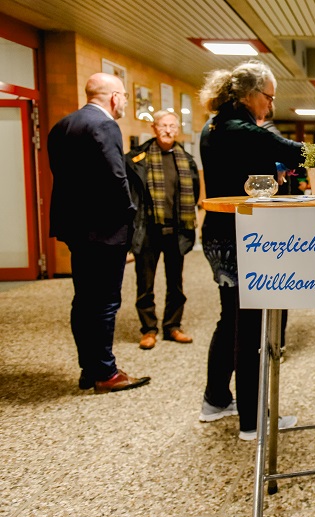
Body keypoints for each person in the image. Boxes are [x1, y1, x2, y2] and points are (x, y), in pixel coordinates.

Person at [198, 60, 303, 440]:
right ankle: (253, 419)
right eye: (269, 98)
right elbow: (296, 152)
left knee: (231, 318)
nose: (270, 107)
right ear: (250, 94)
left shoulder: (213, 126)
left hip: (217, 235)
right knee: (252, 325)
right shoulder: (240, 129)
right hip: (243, 237)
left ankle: (215, 399)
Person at [48, 72, 150, 394]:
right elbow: (115, 178)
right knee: (105, 302)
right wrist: (130, 216)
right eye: (124, 96)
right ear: (114, 97)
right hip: (106, 231)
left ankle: (88, 368)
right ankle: (106, 373)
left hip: (77, 230)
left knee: (84, 300)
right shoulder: (105, 125)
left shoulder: (61, 126)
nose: (124, 103)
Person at [126, 110, 199, 350]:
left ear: (177, 130)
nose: (168, 130)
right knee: (144, 284)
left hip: (176, 230)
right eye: (163, 125)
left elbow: (195, 193)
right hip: (148, 230)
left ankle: (172, 326)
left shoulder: (186, 160)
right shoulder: (138, 159)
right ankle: (148, 329)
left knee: (176, 283)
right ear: (154, 128)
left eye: (172, 126)